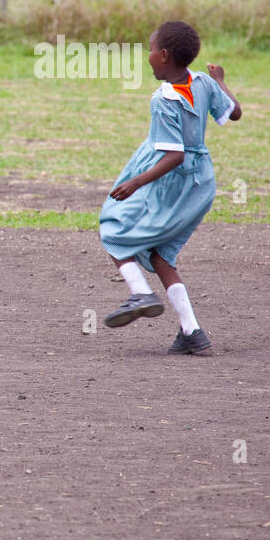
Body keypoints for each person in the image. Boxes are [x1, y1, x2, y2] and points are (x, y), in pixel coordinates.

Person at [99, 20, 241, 354]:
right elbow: (234, 112)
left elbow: (174, 155)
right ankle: (193, 334)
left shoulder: (163, 99)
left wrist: (135, 181)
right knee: (162, 255)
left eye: (150, 50)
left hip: (171, 181)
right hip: (201, 184)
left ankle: (140, 293)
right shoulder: (204, 82)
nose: (147, 56)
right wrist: (222, 82)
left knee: (113, 228)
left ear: (163, 55)